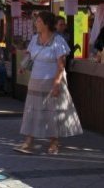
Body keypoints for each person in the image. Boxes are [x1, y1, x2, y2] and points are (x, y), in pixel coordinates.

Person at [16, 11, 82, 154]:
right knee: (31, 111)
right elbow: (29, 54)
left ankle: (54, 142)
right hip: (35, 80)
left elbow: (61, 65)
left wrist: (57, 84)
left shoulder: (58, 41)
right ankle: (29, 141)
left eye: (38, 21)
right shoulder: (34, 39)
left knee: (53, 112)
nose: (36, 23)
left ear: (46, 24)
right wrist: (23, 66)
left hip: (52, 80)